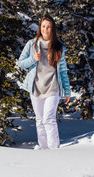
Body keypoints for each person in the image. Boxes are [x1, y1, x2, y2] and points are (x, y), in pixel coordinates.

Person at [18, 14, 71, 150]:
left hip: (53, 88)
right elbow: (21, 63)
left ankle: (54, 150)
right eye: (43, 26)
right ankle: (44, 150)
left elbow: (63, 71)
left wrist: (67, 91)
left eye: (48, 27)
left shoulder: (59, 47)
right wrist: (32, 59)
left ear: (52, 29)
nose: (45, 30)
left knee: (49, 119)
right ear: (40, 27)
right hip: (36, 88)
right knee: (40, 121)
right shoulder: (32, 44)